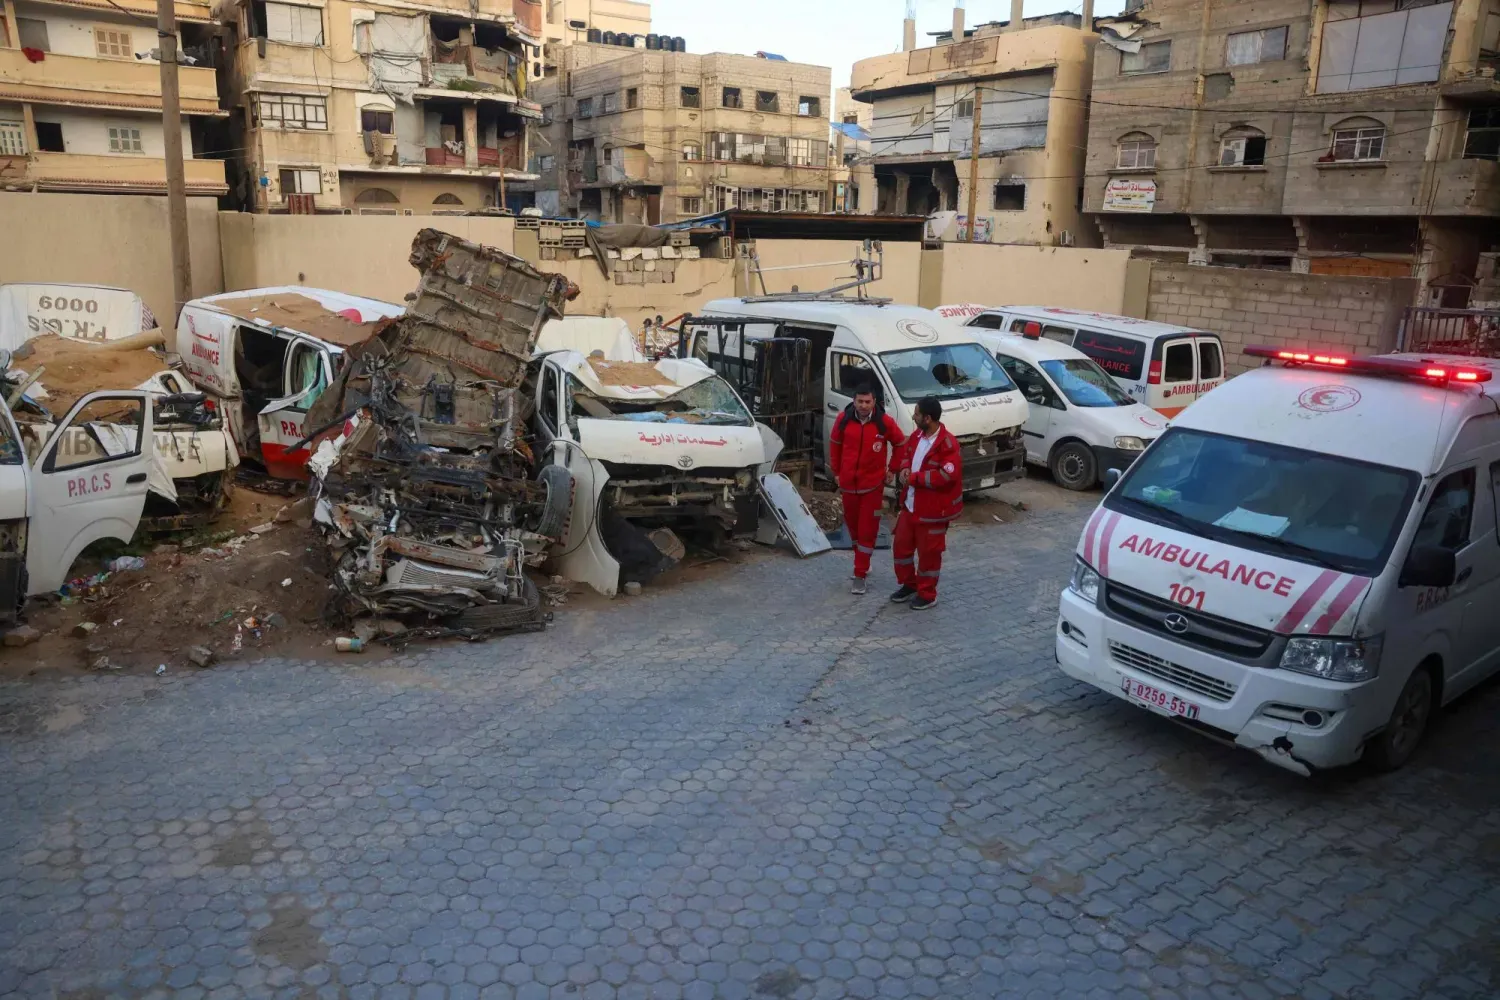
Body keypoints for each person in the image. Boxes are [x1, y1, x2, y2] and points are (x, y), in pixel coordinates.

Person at [828, 383, 905, 594]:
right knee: (853, 528)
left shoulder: (884, 423)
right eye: (860, 401)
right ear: (853, 401)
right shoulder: (843, 420)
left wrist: (893, 469)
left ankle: (860, 574)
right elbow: (835, 445)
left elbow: (900, 443)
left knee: (867, 529)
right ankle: (862, 561)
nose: (863, 405)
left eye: (867, 402)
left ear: (874, 402)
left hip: (873, 487)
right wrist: (837, 472)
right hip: (848, 487)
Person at [889, 396, 963, 610]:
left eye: (917, 414)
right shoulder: (917, 436)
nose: (914, 417)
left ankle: (927, 594)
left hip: (933, 512)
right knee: (901, 548)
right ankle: (909, 585)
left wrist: (914, 478)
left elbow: (946, 476)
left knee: (929, 556)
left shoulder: (948, 444)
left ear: (927, 418)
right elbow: (907, 454)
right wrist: (904, 467)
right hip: (911, 506)